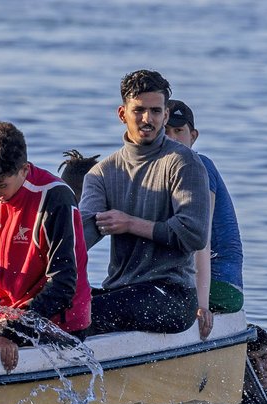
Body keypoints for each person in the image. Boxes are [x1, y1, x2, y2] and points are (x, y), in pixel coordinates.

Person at [79, 69, 211, 337]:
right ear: (122, 114)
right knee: (55, 308)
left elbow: (194, 234)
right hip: (120, 290)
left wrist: (129, 224)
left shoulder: (184, 162)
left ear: (164, 114)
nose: (147, 119)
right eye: (139, 110)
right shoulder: (101, 173)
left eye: (155, 111)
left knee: (84, 315)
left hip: (172, 295)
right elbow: (80, 238)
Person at [0, 122, 91, 370]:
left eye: (1, 185)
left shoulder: (55, 197)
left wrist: (12, 335)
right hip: (8, 310)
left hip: (57, 322)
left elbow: (63, 286)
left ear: (24, 169)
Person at [165, 99, 244, 315]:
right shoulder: (167, 172)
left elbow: (203, 239)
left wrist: (201, 306)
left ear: (193, 136)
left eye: (178, 130)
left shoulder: (200, 167)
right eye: (165, 130)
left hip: (220, 286)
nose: (171, 137)